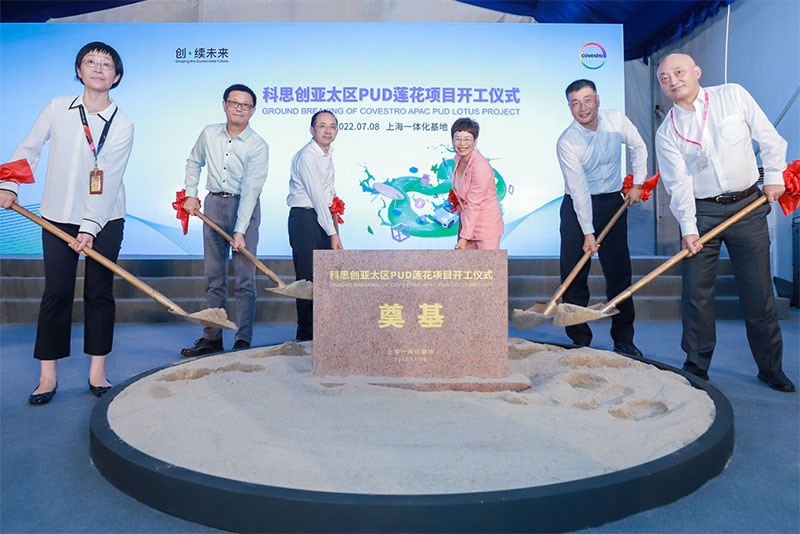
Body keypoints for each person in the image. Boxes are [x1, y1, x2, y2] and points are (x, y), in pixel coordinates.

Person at [0, 42, 134, 404]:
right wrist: (9, 184)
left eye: (106, 64)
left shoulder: (122, 124)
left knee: (99, 292)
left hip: (106, 219)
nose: (98, 68)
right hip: (57, 216)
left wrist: (89, 227)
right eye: (91, 62)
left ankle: (97, 372)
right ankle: (47, 377)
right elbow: (29, 148)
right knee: (57, 292)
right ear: (79, 70)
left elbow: (108, 178)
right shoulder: (58, 107)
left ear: (116, 77)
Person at [655, 53, 794, 392]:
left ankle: (770, 367)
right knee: (696, 294)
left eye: (679, 71)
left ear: (697, 72)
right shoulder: (667, 132)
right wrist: (689, 228)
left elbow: (770, 139)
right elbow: (678, 185)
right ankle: (696, 366)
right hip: (703, 213)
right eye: (664, 78)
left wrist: (774, 176)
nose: (672, 80)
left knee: (758, 292)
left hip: (748, 206)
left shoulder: (733, 95)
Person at [556, 79, 648, 357]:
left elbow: (638, 146)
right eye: (575, 103)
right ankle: (579, 338)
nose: (582, 108)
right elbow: (579, 190)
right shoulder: (567, 141)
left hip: (612, 203)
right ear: (569, 107)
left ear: (597, 99)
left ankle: (624, 338)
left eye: (587, 100)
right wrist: (588, 232)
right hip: (576, 208)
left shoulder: (616, 120)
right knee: (574, 274)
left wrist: (638, 183)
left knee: (619, 272)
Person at [180, 84, 269, 357]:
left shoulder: (258, 145)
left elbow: (251, 190)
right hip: (213, 205)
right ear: (224, 105)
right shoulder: (209, 133)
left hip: (245, 207)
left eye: (245, 105)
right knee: (214, 275)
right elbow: (193, 162)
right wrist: (191, 194)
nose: (239, 108)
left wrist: (240, 231)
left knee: (244, 279)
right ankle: (212, 337)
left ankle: (242, 340)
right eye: (234, 103)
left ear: (252, 111)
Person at [287, 110, 343, 341]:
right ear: (312, 129)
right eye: (322, 126)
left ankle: (321, 332)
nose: (328, 130)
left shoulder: (326, 154)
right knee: (308, 279)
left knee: (323, 277)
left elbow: (327, 191)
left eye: (332, 126)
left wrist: (334, 216)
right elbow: (317, 196)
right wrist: (332, 233)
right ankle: (306, 334)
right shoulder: (307, 156)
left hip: (320, 217)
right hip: (305, 219)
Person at [450, 118, 504, 250]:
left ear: (475, 141)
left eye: (467, 139)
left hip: (485, 229)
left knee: (487, 264)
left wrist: (464, 238)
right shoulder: (457, 159)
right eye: (457, 139)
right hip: (467, 225)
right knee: (465, 264)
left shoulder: (480, 167)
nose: (462, 144)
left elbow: (474, 203)